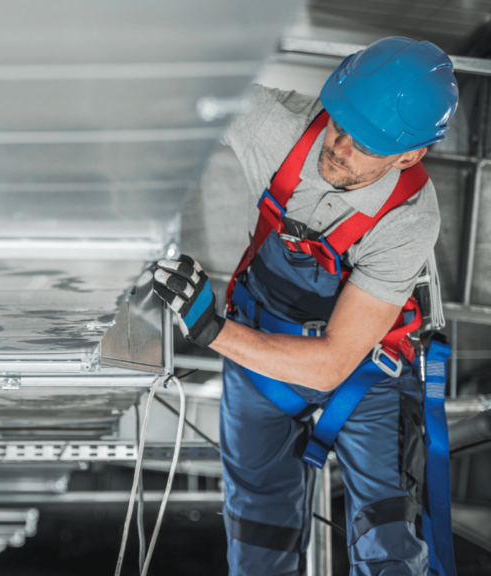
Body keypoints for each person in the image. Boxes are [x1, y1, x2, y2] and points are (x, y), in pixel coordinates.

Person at [150, 37, 459, 575]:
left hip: (365, 371)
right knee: (257, 537)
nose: (338, 146)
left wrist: (210, 330)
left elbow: (336, 359)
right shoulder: (276, 127)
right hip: (262, 353)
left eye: (365, 144)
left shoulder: (409, 218)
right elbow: (175, 85)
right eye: (339, 123)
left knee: (389, 539)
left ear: (409, 155)